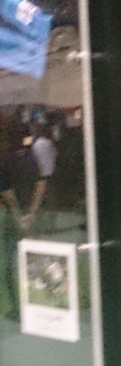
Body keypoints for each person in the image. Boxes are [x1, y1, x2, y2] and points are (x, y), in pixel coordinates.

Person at [0, 127, 44, 320]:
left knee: (10, 264)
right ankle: (39, 301)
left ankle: (18, 309)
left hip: (13, 219)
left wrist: (19, 217)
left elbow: (8, 194)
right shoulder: (31, 158)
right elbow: (41, 186)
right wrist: (32, 212)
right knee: (32, 259)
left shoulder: (5, 162)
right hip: (33, 216)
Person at [29, 121, 58, 235]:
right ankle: (51, 224)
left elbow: (34, 160)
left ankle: (39, 226)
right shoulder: (49, 143)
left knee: (39, 201)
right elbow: (55, 154)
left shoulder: (35, 145)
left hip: (40, 176)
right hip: (50, 175)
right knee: (51, 200)